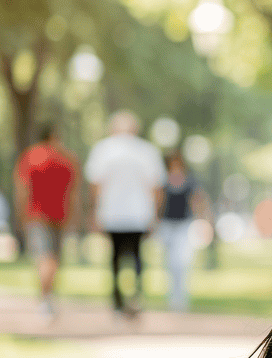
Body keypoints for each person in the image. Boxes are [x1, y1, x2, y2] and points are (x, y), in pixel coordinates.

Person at [84, 110, 166, 315]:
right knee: (137, 256)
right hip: (139, 214)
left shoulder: (103, 149)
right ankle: (136, 295)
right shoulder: (147, 150)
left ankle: (117, 300)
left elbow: (96, 185)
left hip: (112, 213)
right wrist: (155, 213)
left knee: (115, 256)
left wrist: (94, 211)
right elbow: (155, 187)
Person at [14, 123, 80, 316]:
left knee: (44, 258)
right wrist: (75, 216)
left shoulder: (30, 157)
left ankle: (45, 298)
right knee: (54, 259)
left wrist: (20, 214)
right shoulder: (67, 159)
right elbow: (74, 192)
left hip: (36, 215)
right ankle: (48, 297)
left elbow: (22, 188)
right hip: (60, 216)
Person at [159, 150, 208, 312]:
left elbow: (198, 199)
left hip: (183, 225)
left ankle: (180, 298)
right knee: (170, 264)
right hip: (167, 225)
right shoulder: (163, 180)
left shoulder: (189, 181)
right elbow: (158, 201)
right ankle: (173, 296)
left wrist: (203, 219)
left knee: (181, 262)